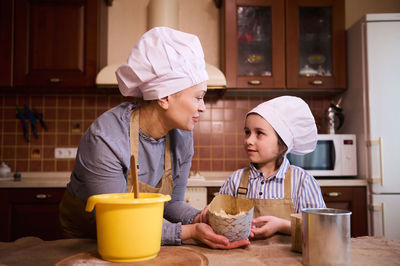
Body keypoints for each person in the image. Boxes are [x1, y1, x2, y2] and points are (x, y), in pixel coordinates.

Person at [59, 27, 249, 249]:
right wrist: (189, 232)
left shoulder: (182, 136)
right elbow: (115, 222)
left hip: (140, 234)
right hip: (86, 239)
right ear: (164, 97)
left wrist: (201, 218)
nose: (203, 108)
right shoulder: (106, 139)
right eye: (198, 98)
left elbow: (172, 204)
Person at [219, 96, 326, 238]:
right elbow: (219, 223)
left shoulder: (302, 181)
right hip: (244, 258)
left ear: (283, 144)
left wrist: (282, 226)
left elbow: (321, 228)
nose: (249, 140)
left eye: (259, 133)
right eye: (247, 132)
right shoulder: (235, 180)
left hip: (288, 260)